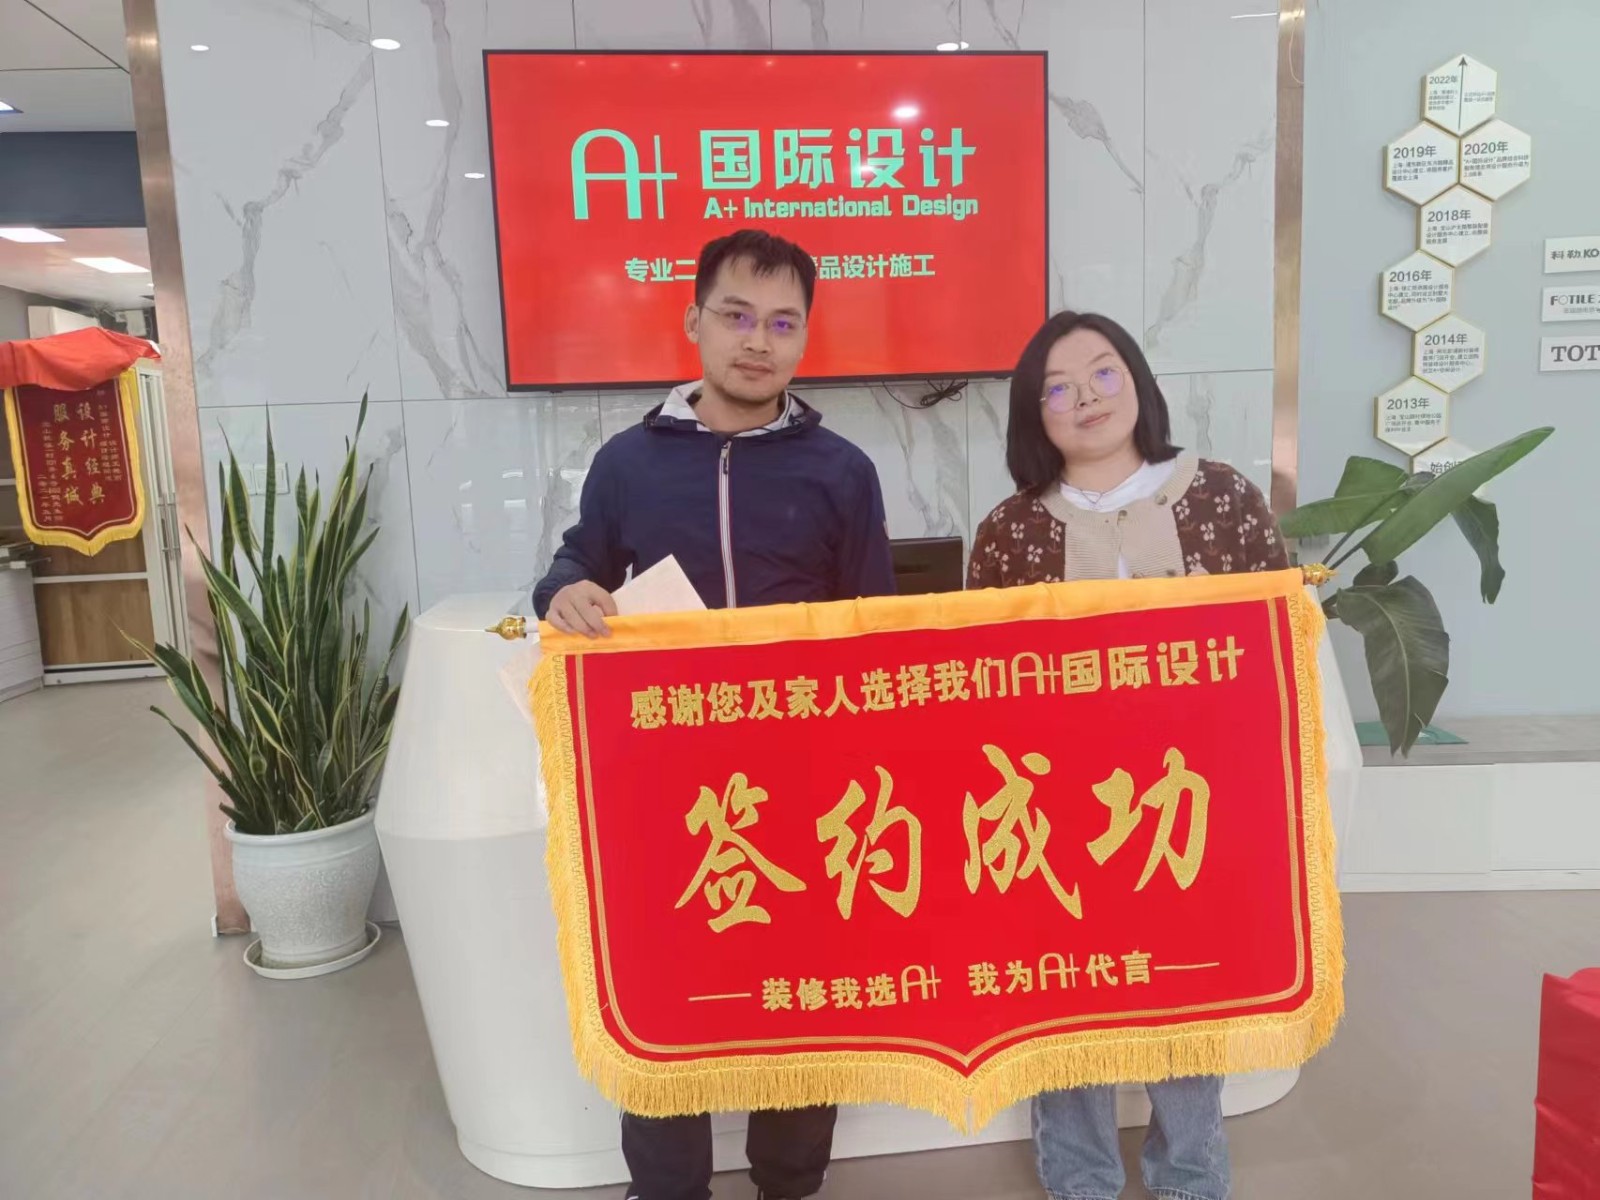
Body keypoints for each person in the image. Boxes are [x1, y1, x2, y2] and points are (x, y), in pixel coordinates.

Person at [532, 228, 896, 1200]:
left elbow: (873, 628)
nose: (757, 342)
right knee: (661, 998)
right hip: (662, 786)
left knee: (802, 1003)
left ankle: (791, 1182)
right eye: (737, 315)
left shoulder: (842, 471)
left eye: (782, 324)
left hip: (804, 784)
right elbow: (578, 561)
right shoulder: (627, 463)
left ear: (804, 338)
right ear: (693, 319)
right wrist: (564, 590)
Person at [967, 311, 1288, 1200]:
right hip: (1055, 810)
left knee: (1186, 988)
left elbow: (1277, 644)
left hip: (1193, 798)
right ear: (1035, 417)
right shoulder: (1007, 530)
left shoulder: (1220, 496)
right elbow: (977, 682)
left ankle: (1190, 1176)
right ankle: (1079, 1178)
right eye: (1058, 390)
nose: (1087, 399)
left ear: (1138, 382)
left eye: (1104, 373)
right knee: (1064, 994)